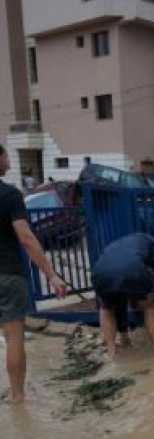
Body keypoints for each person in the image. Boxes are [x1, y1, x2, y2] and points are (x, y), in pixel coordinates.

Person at [0, 144, 67, 404]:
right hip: (7, 274)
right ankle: (18, 397)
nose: (8, 160)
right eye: (5, 155)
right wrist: (51, 274)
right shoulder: (9, 195)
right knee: (13, 337)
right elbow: (26, 238)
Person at [92, 233, 154, 358]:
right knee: (148, 305)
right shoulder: (153, 243)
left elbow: (119, 291)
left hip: (100, 273)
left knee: (106, 308)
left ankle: (112, 352)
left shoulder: (117, 245)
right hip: (133, 269)